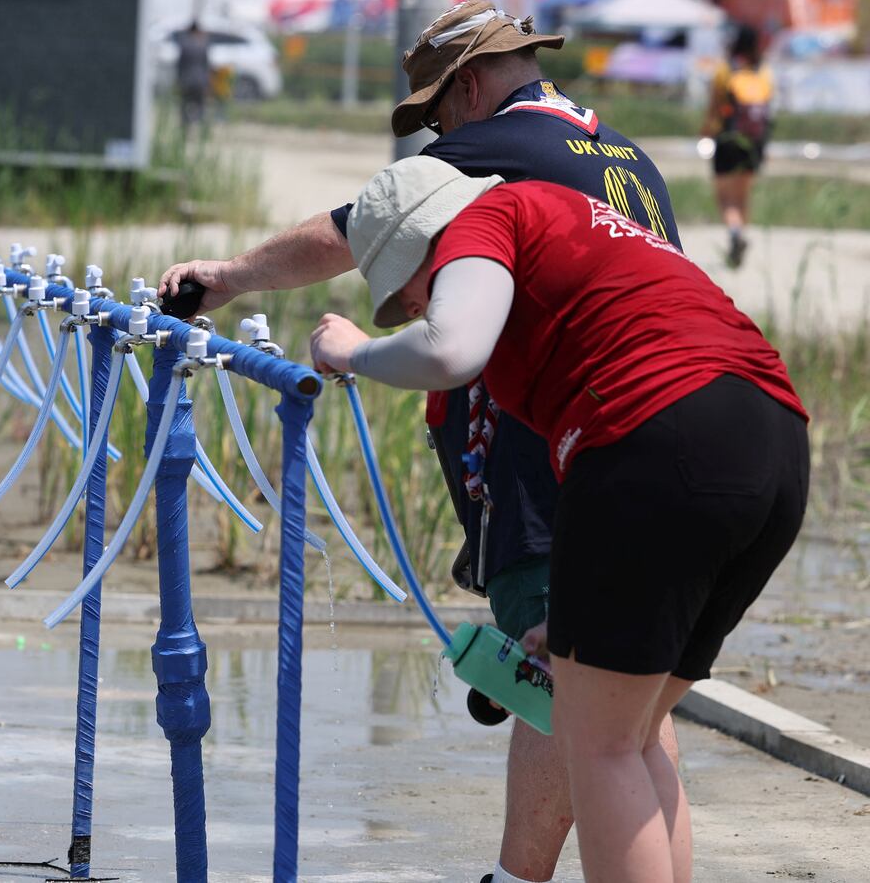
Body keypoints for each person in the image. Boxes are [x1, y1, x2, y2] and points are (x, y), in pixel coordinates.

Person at [158, 2, 681, 883]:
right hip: (676, 431)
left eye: (438, 116)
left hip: (571, 439)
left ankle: (516, 878)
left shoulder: (504, 143)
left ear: (468, 88)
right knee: (632, 715)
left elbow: (357, 224)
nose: (437, 138)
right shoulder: (627, 156)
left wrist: (229, 278)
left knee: (575, 695)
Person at [307, 154, 808, 883]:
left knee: (596, 745)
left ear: (426, 243)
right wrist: (573, 616)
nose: (412, 308)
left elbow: (450, 349)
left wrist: (355, 352)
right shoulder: (571, 224)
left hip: (658, 432)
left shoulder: (485, 219)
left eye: (406, 292)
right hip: (770, 441)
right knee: (629, 737)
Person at [701, 25, 771, 268]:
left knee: (725, 197)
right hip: (755, 143)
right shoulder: (763, 72)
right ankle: (740, 231)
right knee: (742, 196)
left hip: (728, 140)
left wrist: (707, 130)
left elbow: (714, 106)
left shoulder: (725, 70)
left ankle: (734, 233)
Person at [176, 21, 213, 134]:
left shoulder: (184, 45)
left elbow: (180, 65)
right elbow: (206, 65)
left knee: (184, 106)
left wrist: (179, 80)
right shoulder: (203, 45)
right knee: (201, 106)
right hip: (200, 81)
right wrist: (208, 83)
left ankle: (185, 130)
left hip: (187, 81)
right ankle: (202, 132)